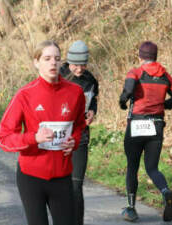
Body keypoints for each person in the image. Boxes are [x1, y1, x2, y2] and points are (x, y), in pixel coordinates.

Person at [0, 40, 86, 225]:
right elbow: (4, 138)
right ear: (36, 62)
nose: (53, 63)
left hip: (62, 177)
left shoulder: (75, 92)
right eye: (47, 58)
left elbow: (79, 125)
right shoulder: (24, 95)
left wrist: (74, 141)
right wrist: (34, 138)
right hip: (31, 178)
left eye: (57, 59)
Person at [119, 41, 172, 222]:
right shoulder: (165, 75)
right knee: (152, 168)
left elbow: (129, 89)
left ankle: (131, 209)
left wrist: (122, 101)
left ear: (140, 56)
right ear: (155, 56)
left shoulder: (136, 72)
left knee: (132, 167)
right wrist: (163, 105)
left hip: (137, 125)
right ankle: (165, 191)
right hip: (156, 125)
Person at [60, 40, 99, 225]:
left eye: (83, 64)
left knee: (76, 186)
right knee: (58, 186)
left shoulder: (90, 80)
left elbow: (93, 101)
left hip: (80, 138)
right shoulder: (58, 75)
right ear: (68, 62)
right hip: (58, 138)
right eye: (76, 65)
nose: (79, 69)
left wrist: (92, 111)